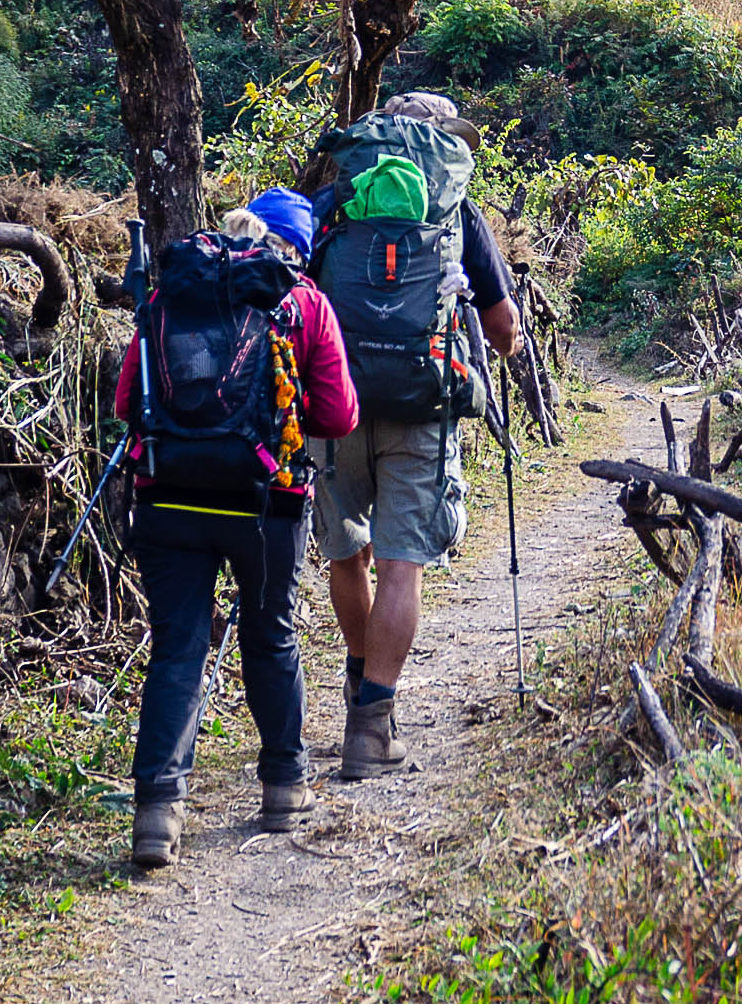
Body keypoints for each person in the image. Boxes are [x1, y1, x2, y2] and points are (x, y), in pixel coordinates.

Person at [114, 186, 357, 869]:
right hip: (266, 501)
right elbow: (338, 416)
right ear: (299, 249)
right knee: (270, 634)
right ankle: (283, 787)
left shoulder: (173, 293)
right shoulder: (304, 302)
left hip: (168, 497)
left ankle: (157, 812)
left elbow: (128, 401)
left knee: (177, 649)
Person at [308, 90, 521, 778]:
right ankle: (371, 728)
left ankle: (357, 679)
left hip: (335, 401)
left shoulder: (334, 201)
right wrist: (505, 347)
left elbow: (293, 294)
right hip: (422, 403)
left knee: (349, 554)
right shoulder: (457, 212)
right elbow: (502, 328)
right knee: (402, 563)